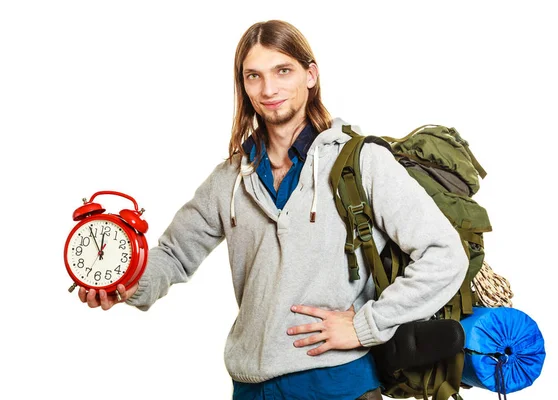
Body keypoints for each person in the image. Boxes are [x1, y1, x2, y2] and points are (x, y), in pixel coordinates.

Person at [78, 19, 468, 400]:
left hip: (338, 384)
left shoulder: (361, 162)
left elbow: (445, 255)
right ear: (243, 85)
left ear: (310, 75)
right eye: (254, 76)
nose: (269, 88)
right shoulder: (229, 179)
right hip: (251, 386)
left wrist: (366, 326)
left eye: (283, 70)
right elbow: (174, 255)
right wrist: (126, 281)